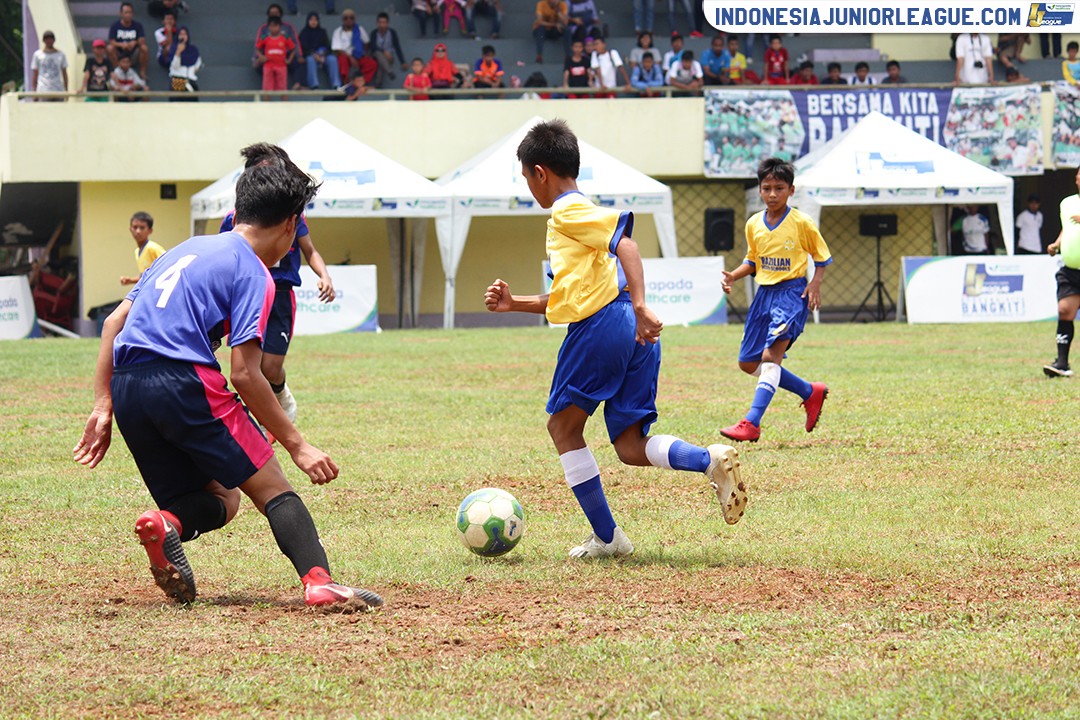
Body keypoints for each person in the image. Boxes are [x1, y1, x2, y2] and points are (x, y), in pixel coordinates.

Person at [73, 142, 382, 611]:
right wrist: (298, 444)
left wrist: (102, 405)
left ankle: (167, 524)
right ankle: (319, 582)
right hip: (185, 381)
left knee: (221, 496)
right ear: (288, 225)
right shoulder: (254, 272)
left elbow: (114, 324)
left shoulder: (182, 249)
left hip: (129, 388)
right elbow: (245, 373)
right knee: (272, 485)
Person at [483, 120, 748, 558]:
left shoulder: (567, 211)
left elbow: (627, 246)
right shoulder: (578, 222)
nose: (530, 186)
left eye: (527, 177)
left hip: (605, 326)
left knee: (562, 428)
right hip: (627, 326)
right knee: (628, 445)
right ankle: (709, 460)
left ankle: (609, 539)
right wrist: (515, 303)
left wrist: (643, 304)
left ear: (540, 172)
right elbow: (574, 295)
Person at [718, 157, 831, 444]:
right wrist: (733, 275)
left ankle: (752, 422)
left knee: (770, 357)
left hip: (791, 294)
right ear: (759, 190)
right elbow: (753, 261)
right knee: (747, 362)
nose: (772, 194)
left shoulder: (802, 222)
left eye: (779, 188)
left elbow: (822, 257)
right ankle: (809, 391)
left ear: (791, 191)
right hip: (763, 295)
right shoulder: (754, 223)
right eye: (766, 188)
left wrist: (815, 283)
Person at [218, 200, 335, 426]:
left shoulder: (292, 216)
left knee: (270, 367)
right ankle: (257, 422)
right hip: (249, 291)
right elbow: (224, 254)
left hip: (280, 293)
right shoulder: (235, 218)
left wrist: (325, 276)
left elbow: (309, 250)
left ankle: (282, 395)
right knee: (246, 367)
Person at [1045, 167, 1080, 377]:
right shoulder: (1067, 203)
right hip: (1071, 271)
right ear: (1076, 179)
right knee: (1065, 310)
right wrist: (1056, 244)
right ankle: (1062, 363)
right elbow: (1067, 228)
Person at [119, 212, 165, 285]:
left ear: (150, 230)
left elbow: (169, 265)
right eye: (135, 227)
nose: (138, 231)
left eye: (142, 228)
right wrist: (130, 280)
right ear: (130, 229)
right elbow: (144, 276)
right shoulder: (137, 252)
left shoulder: (153, 248)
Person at [331, 9, 375, 85]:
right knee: (342, 59)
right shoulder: (338, 31)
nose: (348, 20)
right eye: (346, 18)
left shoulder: (360, 29)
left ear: (354, 19)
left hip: (358, 55)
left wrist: (364, 53)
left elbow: (367, 42)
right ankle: (346, 82)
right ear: (342, 20)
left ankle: (360, 81)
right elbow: (337, 50)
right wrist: (351, 58)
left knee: (372, 63)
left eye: (351, 18)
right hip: (345, 56)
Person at [256, 17, 297, 95]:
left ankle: (284, 106)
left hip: (281, 66)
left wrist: (289, 60)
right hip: (268, 66)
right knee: (266, 90)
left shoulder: (285, 37)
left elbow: (293, 49)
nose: (273, 28)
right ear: (268, 27)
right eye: (271, 26)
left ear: (279, 26)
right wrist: (261, 57)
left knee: (283, 90)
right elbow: (257, 48)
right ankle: (266, 106)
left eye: (275, 26)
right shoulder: (265, 38)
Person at [108, 3, 149, 80]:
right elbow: (111, 41)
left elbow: (142, 40)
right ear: (121, 14)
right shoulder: (115, 26)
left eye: (130, 12)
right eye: (126, 12)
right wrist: (122, 45)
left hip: (133, 52)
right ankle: (118, 70)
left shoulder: (138, 25)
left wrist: (135, 42)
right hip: (120, 52)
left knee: (144, 48)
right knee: (110, 48)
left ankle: (142, 72)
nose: (128, 15)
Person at [299, 12, 338, 89]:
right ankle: (314, 85)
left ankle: (336, 84)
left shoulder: (322, 32)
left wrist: (323, 55)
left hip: (323, 56)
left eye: (315, 20)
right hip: (310, 55)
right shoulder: (304, 33)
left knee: (332, 59)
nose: (313, 22)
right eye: (311, 20)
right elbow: (303, 49)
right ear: (308, 21)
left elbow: (327, 46)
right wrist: (314, 55)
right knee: (310, 60)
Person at [369, 13, 407, 88]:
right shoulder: (374, 33)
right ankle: (389, 71)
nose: (382, 25)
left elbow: (397, 47)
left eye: (384, 23)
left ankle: (378, 83)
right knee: (378, 54)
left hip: (388, 57)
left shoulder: (392, 33)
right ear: (377, 23)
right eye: (380, 22)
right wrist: (384, 52)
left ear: (387, 23)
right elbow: (373, 46)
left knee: (381, 62)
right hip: (375, 55)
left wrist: (402, 61)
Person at [32, 31, 69, 98]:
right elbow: (35, 74)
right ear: (44, 40)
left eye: (50, 39)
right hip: (43, 90)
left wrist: (66, 90)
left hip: (58, 90)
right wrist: (34, 92)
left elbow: (64, 74)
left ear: (54, 40)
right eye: (46, 39)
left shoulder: (60, 55)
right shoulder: (37, 55)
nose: (49, 41)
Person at [167, 26, 201, 98]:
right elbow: (175, 66)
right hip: (177, 80)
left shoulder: (193, 50)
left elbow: (197, 64)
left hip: (190, 80)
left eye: (184, 34)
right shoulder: (173, 48)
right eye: (180, 34)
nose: (183, 36)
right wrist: (178, 52)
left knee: (192, 105)